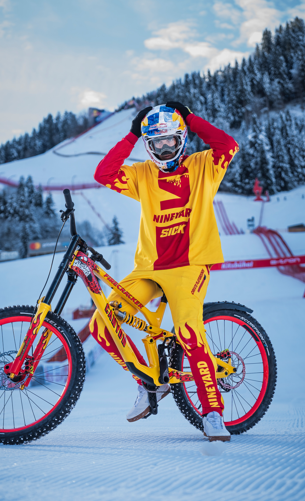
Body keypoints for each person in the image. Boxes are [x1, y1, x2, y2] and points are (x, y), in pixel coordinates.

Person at [93, 101, 239, 442]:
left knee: (189, 332)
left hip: (189, 266)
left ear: (182, 140)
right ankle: (149, 383)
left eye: (170, 141)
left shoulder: (203, 165)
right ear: (148, 145)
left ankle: (213, 413)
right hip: (148, 269)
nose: (163, 148)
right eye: (155, 143)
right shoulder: (142, 173)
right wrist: (131, 133)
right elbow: (104, 174)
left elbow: (227, 146)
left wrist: (189, 117)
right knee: (103, 323)